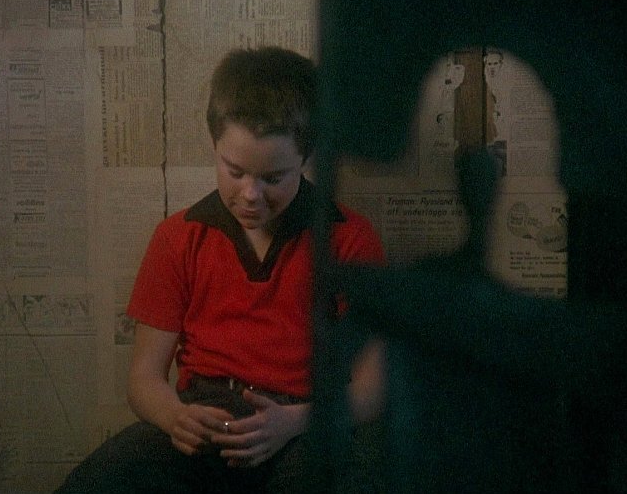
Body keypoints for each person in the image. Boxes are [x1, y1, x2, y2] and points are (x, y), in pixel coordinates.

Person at [56, 46, 385, 493]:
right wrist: (175, 416)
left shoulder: (348, 238)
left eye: (273, 178)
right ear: (215, 147)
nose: (250, 195)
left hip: (303, 422)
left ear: (305, 159)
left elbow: (371, 389)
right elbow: (144, 379)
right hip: (205, 415)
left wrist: (292, 422)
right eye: (235, 171)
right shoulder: (178, 237)